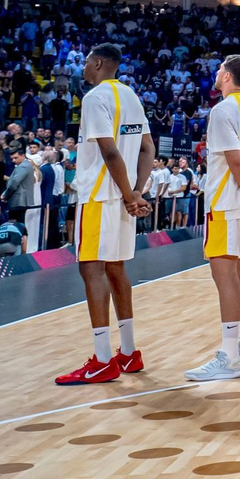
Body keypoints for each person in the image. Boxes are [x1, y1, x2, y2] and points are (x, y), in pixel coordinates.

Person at [55, 44, 154, 385]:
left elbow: (110, 152)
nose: (83, 68)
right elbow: (147, 147)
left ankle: (101, 360)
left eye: (85, 62)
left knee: (92, 269)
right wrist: (138, 191)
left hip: (100, 197)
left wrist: (129, 196)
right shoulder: (131, 96)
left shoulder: (96, 97)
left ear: (98, 63)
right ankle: (127, 352)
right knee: (116, 270)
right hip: (124, 198)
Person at [185, 55, 240, 381]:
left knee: (225, 277)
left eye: (220, 68)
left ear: (226, 75)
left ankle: (229, 355)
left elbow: (235, 161)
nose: (216, 72)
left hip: (226, 203)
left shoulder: (222, 111)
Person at [2, 146, 41, 255]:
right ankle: (20, 250)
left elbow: (14, 183)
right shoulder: (24, 165)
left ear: (23, 156)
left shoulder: (23, 166)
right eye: (12, 158)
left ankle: (19, 251)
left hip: (18, 200)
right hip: (20, 200)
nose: (14, 160)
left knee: (18, 227)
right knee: (20, 226)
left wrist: (5, 195)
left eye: (16, 158)